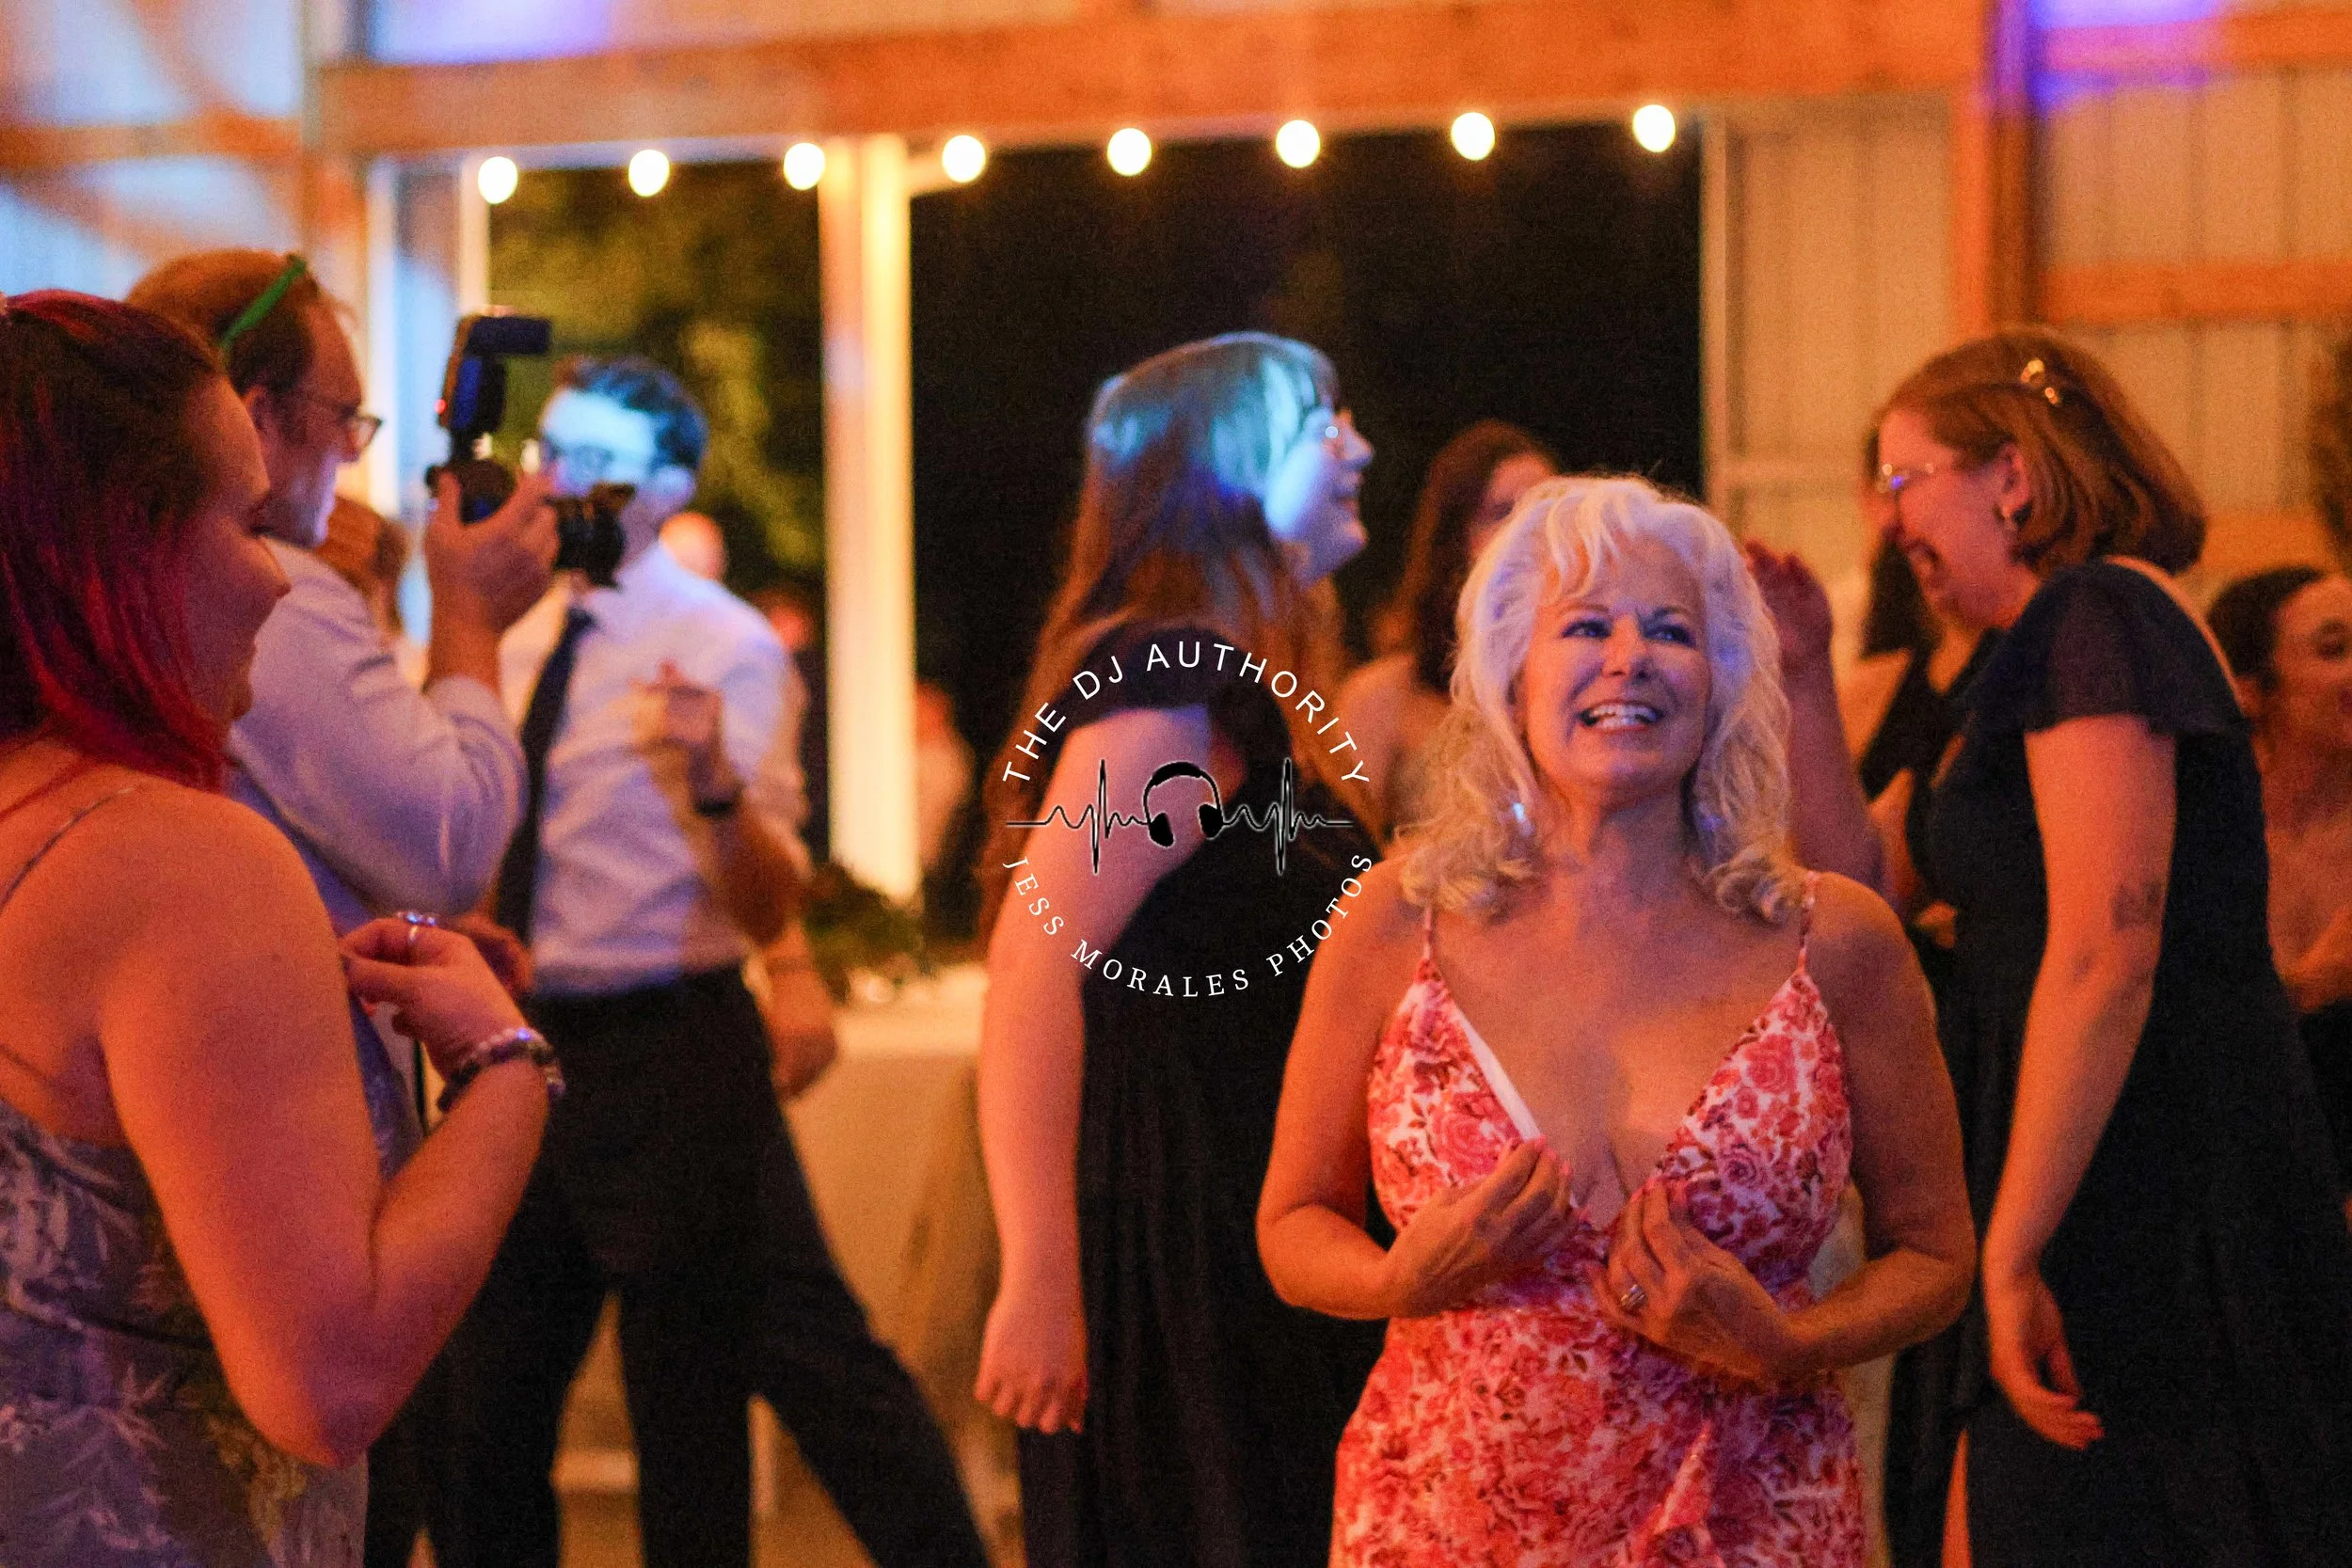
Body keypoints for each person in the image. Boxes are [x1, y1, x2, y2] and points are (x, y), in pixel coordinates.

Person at [1256, 474, 1972, 1565]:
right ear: (1511, 674)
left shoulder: (1835, 939)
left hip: (1747, 1522)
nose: (1629, 656)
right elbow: (1293, 1219)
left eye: (1670, 631)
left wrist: (1790, 1341)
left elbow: (1936, 1250)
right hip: (1443, 1523)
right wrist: (1399, 1281)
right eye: (1586, 626)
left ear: (1722, 679)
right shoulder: (1395, 919)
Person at [1750, 332, 2352, 1566]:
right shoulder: (2022, 658)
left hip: (2143, 1175)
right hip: (2066, 1158)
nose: (1889, 518)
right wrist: (1804, 675)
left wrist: (2012, 1241)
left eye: (1907, 478)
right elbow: (1861, 885)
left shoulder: (2102, 617)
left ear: (2012, 478)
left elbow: (2106, 950)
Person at [0, 291, 551, 1566]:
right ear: (120, 547)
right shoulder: (173, 856)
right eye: (249, 523)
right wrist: (506, 1064)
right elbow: (329, 1376)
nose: (277, 577)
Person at [441, 356, 985, 1568]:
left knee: (691, 1395)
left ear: (671, 485)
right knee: (485, 1402)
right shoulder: (500, 629)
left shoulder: (724, 643)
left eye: (597, 461)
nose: (559, 481)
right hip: (516, 1039)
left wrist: (713, 782)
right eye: (550, 452)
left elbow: (768, 897)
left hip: (666, 1037)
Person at [974, 332, 1387, 1567]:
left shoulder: (1230, 686)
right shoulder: (1169, 690)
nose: (1358, 446)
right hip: (1181, 1242)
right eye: (1322, 419)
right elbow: (1032, 964)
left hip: (1235, 1219)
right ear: (1226, 465)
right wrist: (1040, 1273)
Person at [2209, 566, 2352, 1220]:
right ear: (2250, 689)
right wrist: (2312, 983)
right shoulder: (2207, 842)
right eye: (2334, 649)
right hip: (2249, 1193)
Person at [1336, 420, 1555, 838]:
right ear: (1457, 540)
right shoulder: (1385, 695)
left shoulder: (1582, 691)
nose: (1529, 530)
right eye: (1503, 512)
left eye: (1545, 510)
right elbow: (1342, 852)